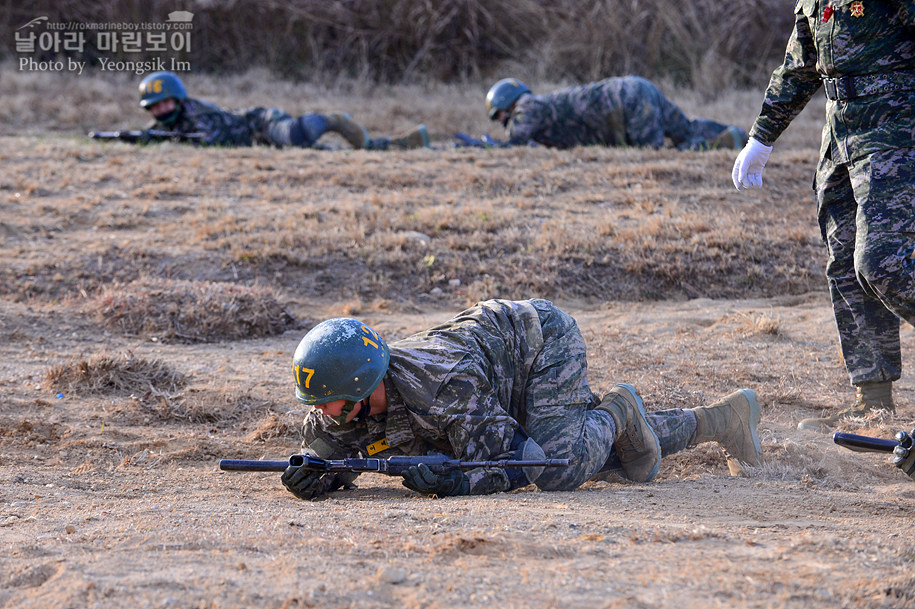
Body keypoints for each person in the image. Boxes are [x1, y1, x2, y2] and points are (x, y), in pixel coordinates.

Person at [280, 298, 762, 500]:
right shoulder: (333, 399)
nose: (322, 415)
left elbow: (510, 464)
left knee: (558, 464)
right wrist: (317, 476)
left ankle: (618, 408)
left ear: (363, 388)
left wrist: (457, 485)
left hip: (539, 343)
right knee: (599, 453)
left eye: (331, 405)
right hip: (494, 375)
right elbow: (334, 455)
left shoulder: (445, 387)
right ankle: (725, 419)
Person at [731, 2, 915, 433]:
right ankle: (874, 405)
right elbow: (802, 63)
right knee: (846, 261)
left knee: (883, 263)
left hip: (896, 131)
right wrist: (762, 137)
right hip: (841, 135)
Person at [137, 71, 429, 150]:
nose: (162, 110)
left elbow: (209, 139)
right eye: (155, 106)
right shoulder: (170, 124)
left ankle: (332, 120)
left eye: (165, 102)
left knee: (296, 136)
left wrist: (166, 140)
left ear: (177, 99)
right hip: (261, 142)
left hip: (263, 123)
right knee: (329, 156)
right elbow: (155, 134)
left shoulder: (196, 112)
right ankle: (406, 143)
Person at [484, 76, 748, 151]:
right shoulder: (537, 104)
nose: (501, 122)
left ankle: (723, 143)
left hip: (626, 102)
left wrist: (489, 147)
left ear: (507, 104)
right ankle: (738, 137)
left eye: (498, 116)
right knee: (684, 130)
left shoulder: (528, 106)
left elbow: (516, 140)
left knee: (653, 154)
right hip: (635, 88)